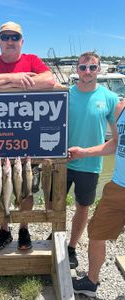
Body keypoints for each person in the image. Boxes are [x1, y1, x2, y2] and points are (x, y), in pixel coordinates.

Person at [0, 21, 56, 251]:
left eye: (14, 37)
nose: (10, 41)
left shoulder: (32, 59)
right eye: (5, 37)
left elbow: (49, 80)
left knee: (26, 189)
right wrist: (16, 79)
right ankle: (4, 230)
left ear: (22, 41)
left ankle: (24, 229)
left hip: (27, 137)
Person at [62, 51, 119, 269]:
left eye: (92, 68)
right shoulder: (65, 94)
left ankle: (71, 247)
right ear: (77, 69)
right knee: (53, 204)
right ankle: (55, 237)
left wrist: (86, 152)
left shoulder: (110, 98)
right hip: (63, 162)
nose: (87, 72)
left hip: (90, 163)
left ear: (99, 70)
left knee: (82, 208)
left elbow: (115, 141)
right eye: (83, 67)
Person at [69, 99, 125, 297]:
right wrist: (84, 152)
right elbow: (116, 143)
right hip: (117, 186)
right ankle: (91, 282)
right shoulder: (120, 107)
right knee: (96, 233)